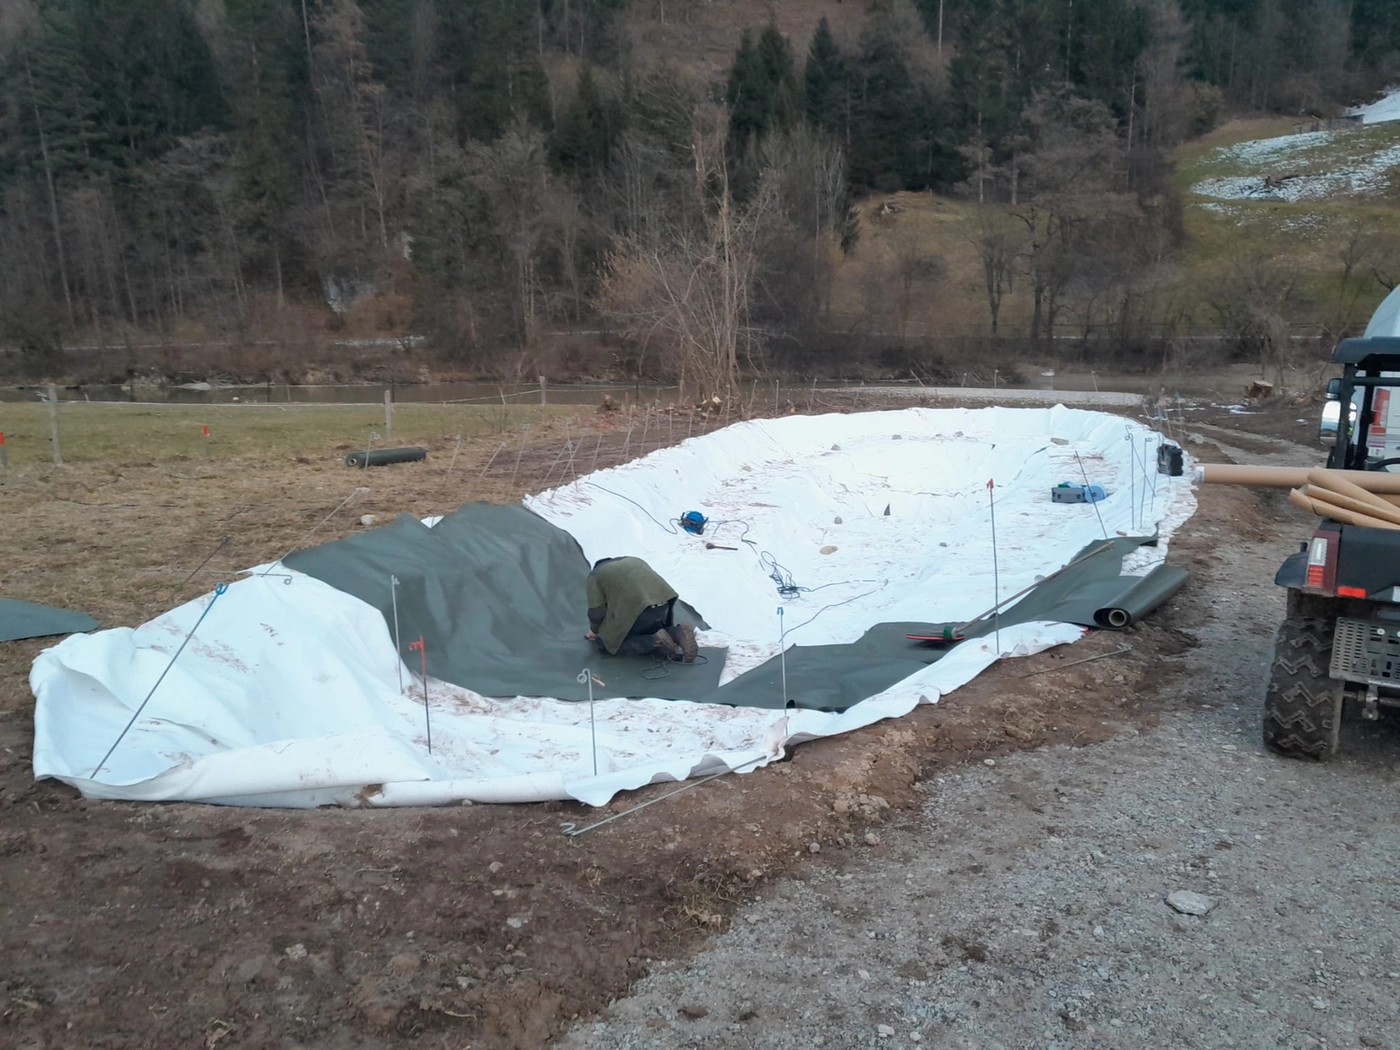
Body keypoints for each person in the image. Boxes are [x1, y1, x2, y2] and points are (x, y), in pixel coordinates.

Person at [585, 556, 698, 662]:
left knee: (607, 644)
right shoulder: (633, 560)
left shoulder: (595, 575)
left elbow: (596, 613)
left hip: (640, 610)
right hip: (664, 604)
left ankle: (654, 641)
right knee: (649, 627)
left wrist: (595, 631)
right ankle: (676, 632)